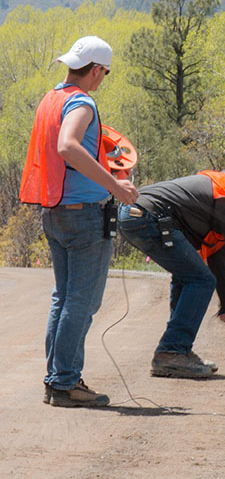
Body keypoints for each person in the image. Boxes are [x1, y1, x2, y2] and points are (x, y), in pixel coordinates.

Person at [19, 35, 139, 408]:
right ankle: (65, 382)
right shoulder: (82, 102)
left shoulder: (51, 98)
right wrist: (115, 187)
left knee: (64, 298)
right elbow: (68, 146)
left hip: (54, 211)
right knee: (81, 302)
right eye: (105, 72)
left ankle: (57, 379)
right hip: (83, 216)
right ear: (98, 71)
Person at [117, 160, 225, 379]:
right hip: (147, 215)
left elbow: (218, 254)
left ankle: (177, 350)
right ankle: (172, 351)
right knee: (201, 280)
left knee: (188, 276)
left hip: (134, 213)